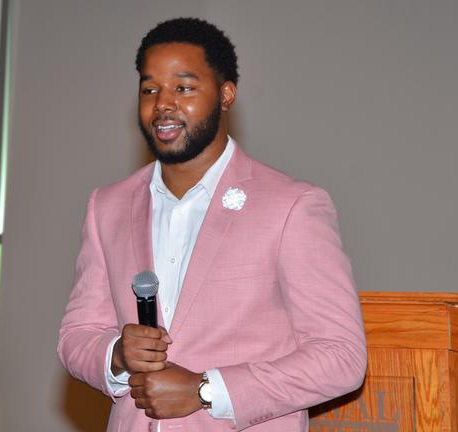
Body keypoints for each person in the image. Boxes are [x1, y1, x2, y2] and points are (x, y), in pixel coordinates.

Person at [57, 17, 366, 431]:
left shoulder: (292, 206)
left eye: (183, 88)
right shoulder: (106, 206)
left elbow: (341, 357)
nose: (163, 104)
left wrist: (206, 390)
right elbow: (76, 336)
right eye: (150, 89)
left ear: (225, 95)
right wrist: (115, 355)